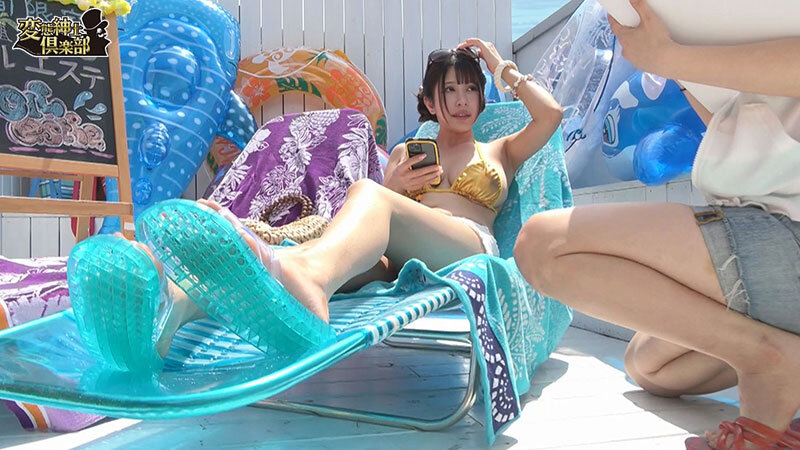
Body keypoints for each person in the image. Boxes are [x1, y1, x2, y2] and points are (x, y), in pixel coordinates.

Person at [76, 39, 562, 360]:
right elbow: (383, 219)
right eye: (450, 90)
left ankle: (308, 279)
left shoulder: (500, 148)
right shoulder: (406, 152)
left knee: (364, 195)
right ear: (431, 101)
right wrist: (395, 186)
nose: (462, 100)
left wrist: (499, 64)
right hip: (403, 261)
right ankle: (173, 303)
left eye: (471, 89)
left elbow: (551, 115)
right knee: (296, 254)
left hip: (467, 247)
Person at [512, 0, 800, 448]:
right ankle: (772, 351)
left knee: (543, 245)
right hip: (766, 222)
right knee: (647, 367)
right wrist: (678, 70)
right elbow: (734, 128)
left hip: (785, 232)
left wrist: (669, 57)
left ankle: (766, 359)